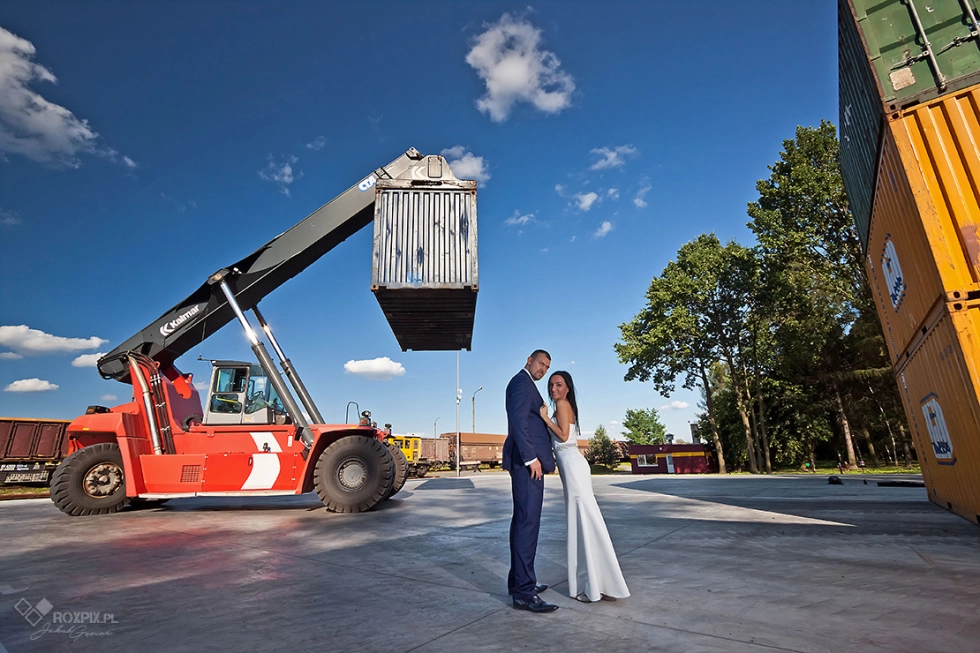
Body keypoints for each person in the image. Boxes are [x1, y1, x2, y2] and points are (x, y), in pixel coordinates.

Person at [539, 371, 630, 603]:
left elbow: (563, 434)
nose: (554, 389)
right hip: (572, 467)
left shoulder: (561, 404)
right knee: (585, 522)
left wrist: (545, 418)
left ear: (567, 387)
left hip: (573, 468)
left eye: (558, 384)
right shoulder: (566, 404)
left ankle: (594, 586)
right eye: (551, 385)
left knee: (584, 522)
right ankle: (599, 583)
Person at [504, 349, 559, 613]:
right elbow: (517, 422)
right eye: (540, 364)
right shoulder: (520, 382)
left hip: (530, 464)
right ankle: (524, 594)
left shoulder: (525, 384)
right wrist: (530, 458)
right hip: (528, 466)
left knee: (523, 523)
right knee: (528, 525)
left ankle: (520, 582)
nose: (543, 370)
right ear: (529, 359)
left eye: (547, 368)